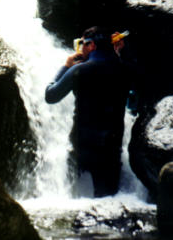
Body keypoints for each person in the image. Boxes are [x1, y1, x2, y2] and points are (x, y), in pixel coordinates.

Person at [45, 26, 129, 197]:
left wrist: (65, 66)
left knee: (69, 198)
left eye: (82, 44)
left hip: (82, 146)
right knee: (109, 202)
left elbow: (51, 95)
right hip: (111, 147)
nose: (80, 49)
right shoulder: (123, 68)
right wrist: (118, 54)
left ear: (91, 46)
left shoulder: (79, 70)